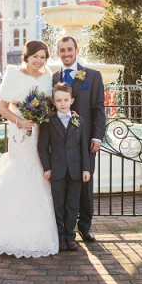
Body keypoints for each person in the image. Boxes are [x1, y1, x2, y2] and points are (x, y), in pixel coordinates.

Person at [0, 40, 59, 258]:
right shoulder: (13, 74)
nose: (39, 61)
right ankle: (4, 226)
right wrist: (20, 121)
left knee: (40, 170)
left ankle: (37, 225)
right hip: (20, 132)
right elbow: (3, 106)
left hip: (40, 131)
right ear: (26, 56)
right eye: (35, 56)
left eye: (43, 57)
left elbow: (51, 104)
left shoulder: (49, 75)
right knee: (20, 168)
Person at [53, 36, 106, 243]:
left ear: (76, 50)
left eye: (69, 49)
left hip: (84, 141)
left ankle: (85, 227)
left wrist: (97, 137)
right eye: (62, 50)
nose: (66, 53)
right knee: (62, 185)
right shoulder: (53, 77)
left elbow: (98, 109)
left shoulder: (92, 76)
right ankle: (63, 229)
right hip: (59, 141)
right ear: (57, 53)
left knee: (84, 183)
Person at [38, 83, 92, 252]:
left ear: (72, 101)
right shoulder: (49, 122)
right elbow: (42, 147)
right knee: (58, 204)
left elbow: (84, 147)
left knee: (72, 204)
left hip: (76, 170)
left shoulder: (79, 121)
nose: (62, 103)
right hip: (57, 169)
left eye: (66, 100)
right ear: (54, 102)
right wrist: (47, 168)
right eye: (59, 100)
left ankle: (70, 236)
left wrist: (85, 169)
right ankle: (60, 237)